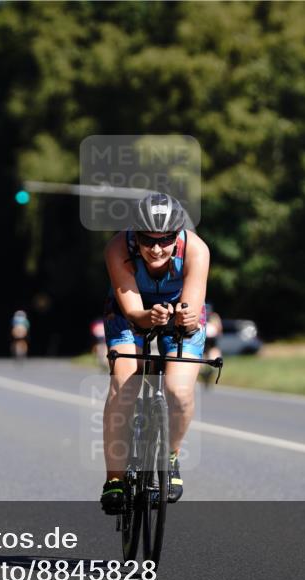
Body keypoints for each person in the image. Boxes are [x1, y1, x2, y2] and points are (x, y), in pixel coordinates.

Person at [100, 193, 209, 514]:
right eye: (147, 240)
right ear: (135, 233)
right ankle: (115, 479)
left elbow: (192, 303)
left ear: (178, 235)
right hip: (128, 313)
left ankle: (170, 455)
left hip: (178, 312)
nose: (157, 248)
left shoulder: (197, 249)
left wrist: (185, 316)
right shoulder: (118, 248)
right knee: (124, 387)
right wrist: (150, 317)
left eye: (166, 240)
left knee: (178, 390)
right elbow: (134, 312)